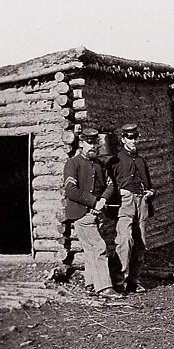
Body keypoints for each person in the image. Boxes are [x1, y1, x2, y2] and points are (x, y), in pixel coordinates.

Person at [63, 128, 118, 298]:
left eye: (95, 142)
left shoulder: (99, 164)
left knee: (90, 250)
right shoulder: (73, 163)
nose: (93, 146)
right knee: (99, 247)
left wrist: (102, 200)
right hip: (82, 214)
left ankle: (91, 284)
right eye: (90, 142)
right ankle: (105, 288)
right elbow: (71, 190)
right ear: (81, 143)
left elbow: (110, 185)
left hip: (97, 213)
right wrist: (94, 202)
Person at [106, 124, 154, 293]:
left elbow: (149, 183)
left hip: (141, 202)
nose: (133, 141)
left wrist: (150, 192)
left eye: (135, 137)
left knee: (141, 244)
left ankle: (134, 281)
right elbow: (109, 186)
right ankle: (119, 280)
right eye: (129, 138)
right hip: (125, 203)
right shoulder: (116, 161)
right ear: (123, 139)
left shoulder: (141, 161)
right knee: (125, 240)